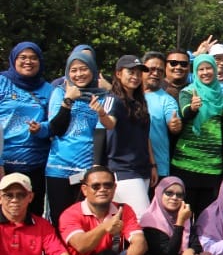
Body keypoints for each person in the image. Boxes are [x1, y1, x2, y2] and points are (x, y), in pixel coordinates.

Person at [45, 46, 113, 223]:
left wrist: (95, 167)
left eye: (84, 69)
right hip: (58, 169)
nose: (79, 74)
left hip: (86, 170)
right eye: (73, 70)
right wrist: (68, 100)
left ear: (93, 70)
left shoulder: (103, 97)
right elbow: (55, 128)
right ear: (67, 73)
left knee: (87, 221)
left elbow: (101, 132)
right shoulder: (59, 92)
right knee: (59, 219)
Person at [0, 42, 54, 216]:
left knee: (32, 216)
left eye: (33, 58)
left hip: (35, 165)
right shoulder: (2, 82)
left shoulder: (49, 90)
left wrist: (41, 128)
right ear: (14, 60)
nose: (28, 62)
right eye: (23, 57)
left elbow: (55, 125)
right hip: (4, 163)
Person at [103, 55, 157, 217]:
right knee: (145, 219)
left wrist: (152, 165)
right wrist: (100, 114)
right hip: (123, 169)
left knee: (129, 222)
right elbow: (109, 123)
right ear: (119, 73)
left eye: (139, 73)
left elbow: (145, 136)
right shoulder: (113, 99)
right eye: (130, 72)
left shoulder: (140, 101)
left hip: (142, 168)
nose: (135, 77)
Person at [172, 54, 223, 215]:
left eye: (208, 68)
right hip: (186, 162)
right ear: (195, 72)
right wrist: (193, 108)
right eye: (201, 69)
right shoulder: (188, 92)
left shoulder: (220, 96)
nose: (205, 72)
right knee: (185, 214)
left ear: (215, 70)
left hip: (211, 164)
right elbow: (184, 112)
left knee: (206, 217)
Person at [141, 51, 182, 179]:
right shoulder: (129, 96)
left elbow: (174, 124)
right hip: (130, 167)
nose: (156, 73)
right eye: (151, 69)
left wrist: (175, 125)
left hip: (158, 168)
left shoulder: (167, 100)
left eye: (160, 70)